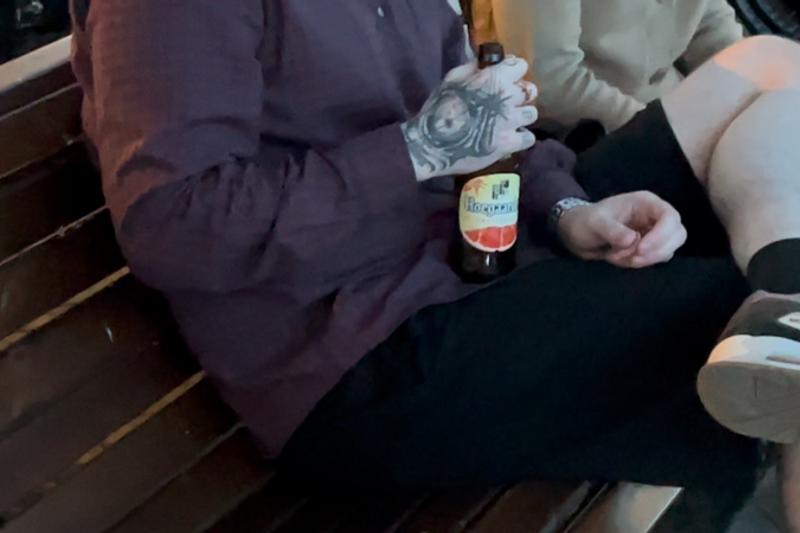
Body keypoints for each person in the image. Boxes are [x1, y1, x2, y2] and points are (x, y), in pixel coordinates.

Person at [68, 0, 800, 529]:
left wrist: (567, 209)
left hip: (476, 250)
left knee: (769, 69)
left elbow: (481, 116)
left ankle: (783, 296)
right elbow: (173, 227)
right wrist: (419, 149)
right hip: (360, 350)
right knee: (758, 334)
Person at [470, 0, 744, 132]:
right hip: (575, 137)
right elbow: (547, 84)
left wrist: (753, 98)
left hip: (672, 117)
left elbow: (714, 31)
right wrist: (666, 134)